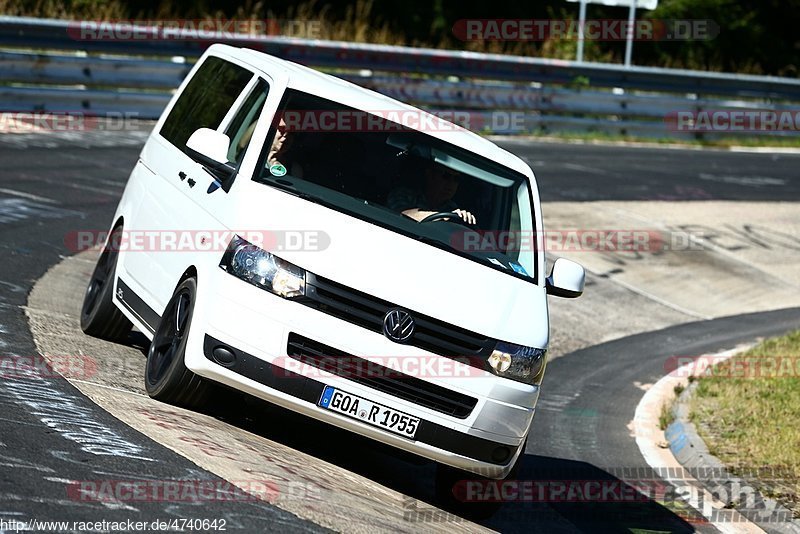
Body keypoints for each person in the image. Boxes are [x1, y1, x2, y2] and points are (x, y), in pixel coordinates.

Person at [387, 163, 477, 224]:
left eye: (456, 179)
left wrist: (463, 219)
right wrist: (443, 217)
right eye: (446, 176)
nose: (451, 183)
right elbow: (403, 214)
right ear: (430, 175)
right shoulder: (404, 194)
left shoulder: (452, 208)